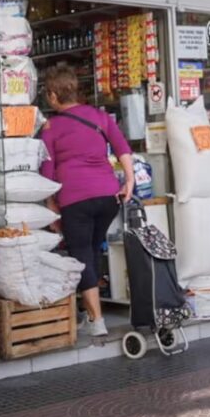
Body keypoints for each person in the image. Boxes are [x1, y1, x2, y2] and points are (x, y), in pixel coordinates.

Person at [38, 63, 135, 337]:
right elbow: (122, 148)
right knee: (92, 249)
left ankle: (97, 320)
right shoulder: (99, 116)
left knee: (81, 254)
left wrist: (51, 205)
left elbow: (47, 170)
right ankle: (86, 311)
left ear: (53, 95)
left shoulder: (51, 127)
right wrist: (129, 180)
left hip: (75, 199)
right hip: (108, 197)